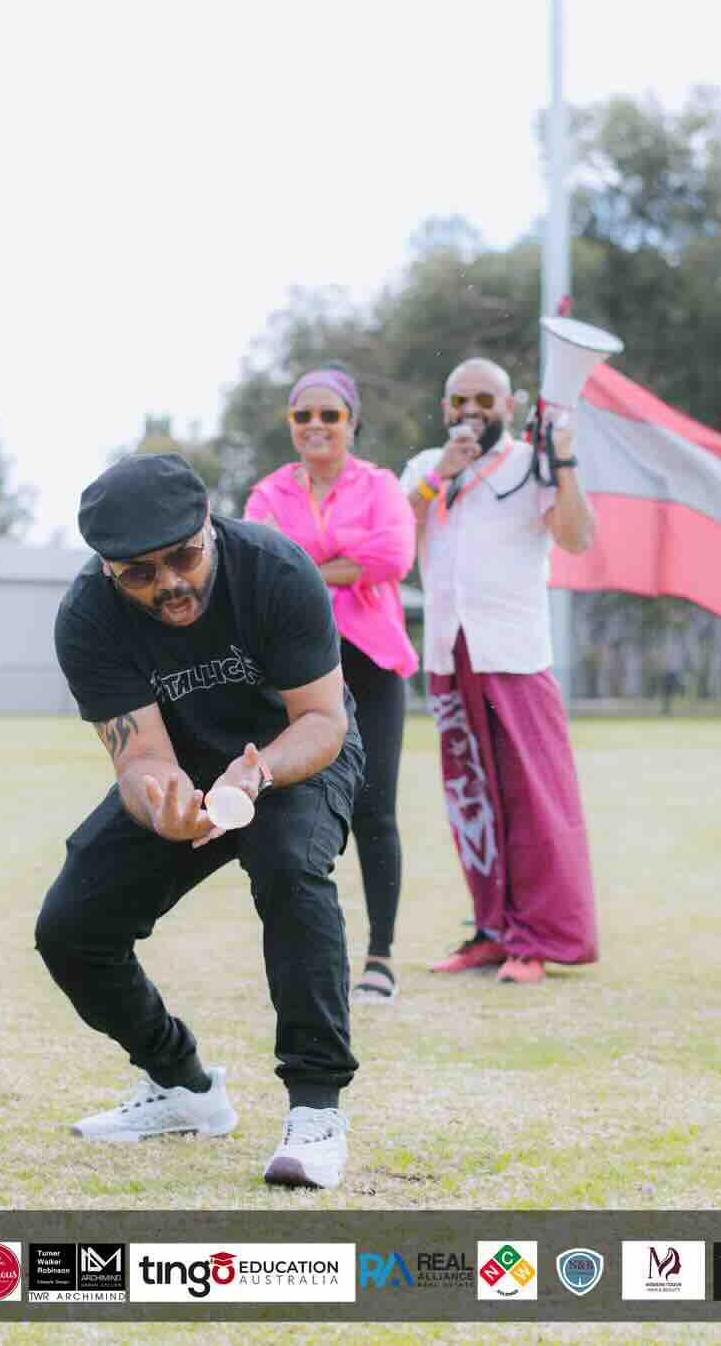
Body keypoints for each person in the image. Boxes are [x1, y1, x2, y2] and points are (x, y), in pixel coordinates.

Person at [37, 453, 367, 1189]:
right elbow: (139, 758)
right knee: (71, 926)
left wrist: (256, 771)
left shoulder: (276, 570)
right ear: (107, 569)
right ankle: (181, 1084)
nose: (169, 585)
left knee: (289, 867)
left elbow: (321, 720)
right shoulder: (88, 616)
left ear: (210, 527)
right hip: (186, 763)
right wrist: (166, 802)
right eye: (139, 575)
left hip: (291, 752)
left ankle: (316, 1109)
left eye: (182, 558)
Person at [398, 357, 600, 986]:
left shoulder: (529, 463)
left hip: (513, 653)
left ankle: (537, 939)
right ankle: (491, 931)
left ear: (509, 406)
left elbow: (577, 538)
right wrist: (440, 476)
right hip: (448, 653)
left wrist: (563, 462)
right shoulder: (424, 468)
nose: (472, 411)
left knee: (533, 801)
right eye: (460, 400)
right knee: (472, 800)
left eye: (485, 399)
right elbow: (396, 548)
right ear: (445, 409)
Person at [243, 366, 419, 1005]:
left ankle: (380, 955)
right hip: (296, 674)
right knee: (295, 810)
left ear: (351, 422)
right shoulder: (266, 493)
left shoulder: (381, 486)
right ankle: (307, 954)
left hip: (371, 666)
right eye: (303, 415)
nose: (316, 425)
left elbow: (395, 556)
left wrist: (305, 567)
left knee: (375, 810)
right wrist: (343, 564)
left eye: (330, 414)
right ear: (291, 424)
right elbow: (260, 564)